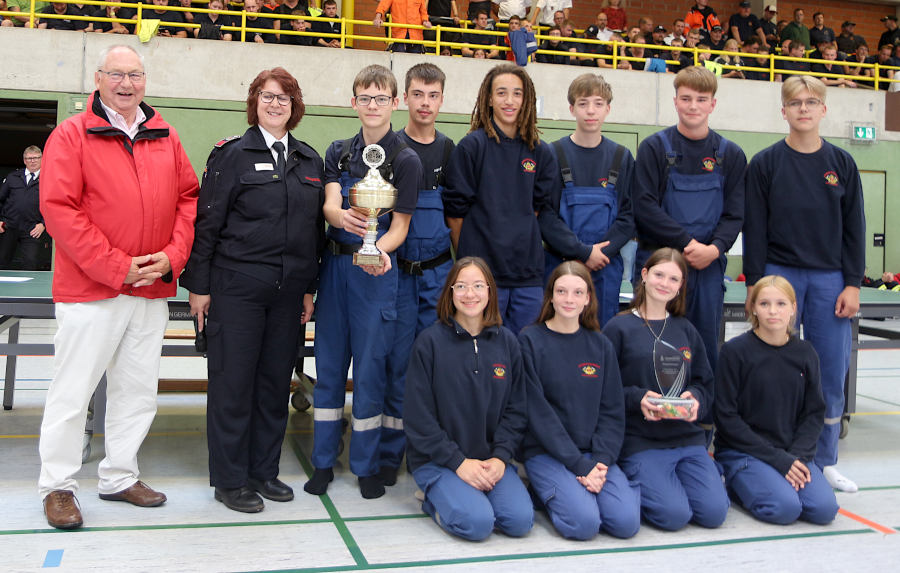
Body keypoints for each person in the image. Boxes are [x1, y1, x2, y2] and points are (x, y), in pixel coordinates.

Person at [37, 45, 198, 530]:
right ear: (99, 77)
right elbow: (60, 209)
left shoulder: (166, 135)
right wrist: (116, 267)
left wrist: (171, 257)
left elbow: (189, 199)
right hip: (91, 290)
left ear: (144, 81)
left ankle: (120, 475)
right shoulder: (71, 134)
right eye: (116, 75)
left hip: (149, 292)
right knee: (73, 393)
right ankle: (59, 486)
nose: (126, 84)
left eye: (135, 75)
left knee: (137, 390)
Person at [180, 68, 324, 513]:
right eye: (267, 96)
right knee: (232, 386)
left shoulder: (309, 159)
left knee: (273, 386)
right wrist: (200, 287)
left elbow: (312, 232)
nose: (276, 104)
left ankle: (263, 471)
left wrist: (308, 288)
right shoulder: (231, 155)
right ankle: (229, 480)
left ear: (295, 105)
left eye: (284, 97)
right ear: (254, 102)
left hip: (287, 295)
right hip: (236, 289)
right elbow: (208, 224)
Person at [305, 65, 422, 500]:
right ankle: (322, 462)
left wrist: (380, 252)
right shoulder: (337, 151)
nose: (372, 106)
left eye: (381, 98)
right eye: (364, 98)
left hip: (374, 275)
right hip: (335, 272)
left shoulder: (406, 160)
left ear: (395, 103)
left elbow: (401, 226)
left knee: (372, 369)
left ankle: (367, 465)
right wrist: (339, 216)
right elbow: (331, 203)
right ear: (353, 103)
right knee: (330, 367)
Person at [743, 75, 865, 494]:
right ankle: (777, 454)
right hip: (780, 273)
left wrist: (852, 283)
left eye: (812, 102)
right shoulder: (765, 163)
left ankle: (825, 460)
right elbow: (754, 227)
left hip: (830, 278)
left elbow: (855, 228)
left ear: (824, 109)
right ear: (784, 111)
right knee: (776, 371)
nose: (804, 109)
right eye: (795, 103)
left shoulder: (843, 164)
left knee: (830, 372)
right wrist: (757, 285)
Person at [404, 257, 533, 541]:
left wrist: (500, 458)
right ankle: (433, 499)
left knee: (519, 522)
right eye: (460, 286)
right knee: (477, 524)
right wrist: (459, 463)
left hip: (490, 461)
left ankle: (467, 494)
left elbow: (516, 409)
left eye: (477, 286)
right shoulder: (430, 343)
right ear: (450, 292)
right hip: (439, 460)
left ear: (490, 291)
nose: (469, 294)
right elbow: (418, 417)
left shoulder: (508, 342)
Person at [603, 248, 729, 531]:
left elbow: (704, 382)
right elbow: (603, 390)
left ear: (681, 286)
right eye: (659, 274)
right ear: (644, 275)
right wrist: (638, 399)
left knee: (713, 514)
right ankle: (633, 479)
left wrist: (695, 399)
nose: (665, 283)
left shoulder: (685, 329)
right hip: (641, 441)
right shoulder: (618, 328)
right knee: (674, 516)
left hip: (686, 439)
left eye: (674, 279)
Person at [632, 66, 746, 372]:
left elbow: (735, 214)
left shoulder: (730, 155)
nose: (693, 105)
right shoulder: (654, 148)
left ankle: (702, 417)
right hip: (659, 263)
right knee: (650, 343)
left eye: (701, 98)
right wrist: (686, 243)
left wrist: (715, 248)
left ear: (713, 104)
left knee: (703, 345)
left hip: (707, 267)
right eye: (686, 98)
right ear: (675, 101)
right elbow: (643, 207)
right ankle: (649, 413)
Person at [519, 261, 641, 540]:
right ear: (550, 296)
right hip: (547, 452)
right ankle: (543, 491)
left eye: (577, 293)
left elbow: (612, 410)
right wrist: (577, 464)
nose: (569, 300)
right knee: (584, 524)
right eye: (562, 291)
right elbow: (538, 414)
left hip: (592, 454)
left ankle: (577, 489)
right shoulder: (530, 341)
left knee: (625, 523)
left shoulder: (600, 345)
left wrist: (600, 460)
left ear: (588, 298)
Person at [381, 63, 455, 489]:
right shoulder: (388, 149)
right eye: (418, 94)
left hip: (439, 275)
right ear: (403, 98)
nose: (425, 103)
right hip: (397, 276)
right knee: (397, 366)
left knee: (435, 367)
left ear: (442, 100)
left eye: (433, 95)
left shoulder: (450, 151)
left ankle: (426, 452)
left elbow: (457, 215)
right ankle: (390, 454)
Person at [715, 276, 839, 525]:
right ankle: (736, 485)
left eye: (781, 304)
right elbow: (726, 417)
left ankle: (771, 481)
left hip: (790, 452)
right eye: (764, 304)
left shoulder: (805, 353)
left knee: (824, 510)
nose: (773, 311)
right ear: (753, 308)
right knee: (784, 508)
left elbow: (813, 413)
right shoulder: (735, 352)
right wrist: (778, 460)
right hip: (745, 452)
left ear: (794, 308)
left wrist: (795, 457)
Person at [443, 63, 556, 334]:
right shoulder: (472, 147)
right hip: (481, 277)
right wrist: (469, 264)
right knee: (482, 357)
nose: (510, 101)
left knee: (523, 357)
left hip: (527, 277)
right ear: (489, 99)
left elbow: (536, 210)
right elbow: (455, 215)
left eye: (517, 94)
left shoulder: (541, 152)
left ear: (526, 99)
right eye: (502, 93)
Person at [539, 74, 634, 327]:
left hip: (605, 267)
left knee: (601, 337)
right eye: (583, 103)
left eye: (598, 103)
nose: (590, 111)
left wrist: (599, 253)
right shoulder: (552, 154)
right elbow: (545, 215)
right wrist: (581, 252)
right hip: (560, 265)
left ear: (608, 109)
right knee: (556, 333)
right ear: (571, 108)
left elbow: (629, 216)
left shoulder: (622, 157)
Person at [0, 146, 50, 270]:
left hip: (32, 229)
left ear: (42, 159)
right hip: (9, 227)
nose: (32, 161)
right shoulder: (13, 177)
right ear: (24, 160)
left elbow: (53, 205)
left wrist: (43, 224)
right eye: (29, 158)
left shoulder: (49, 179)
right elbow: (0, 199)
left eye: (36, 158)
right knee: (2, 261)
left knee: (30, 264)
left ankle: (27, 290)